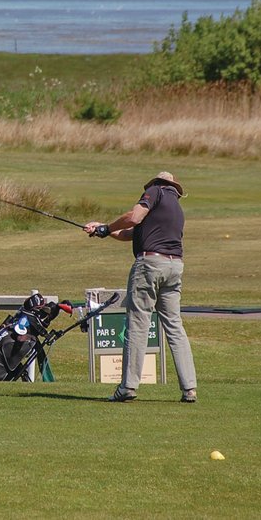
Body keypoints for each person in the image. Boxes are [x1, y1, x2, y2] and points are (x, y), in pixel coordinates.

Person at [84, 171, 198, 404]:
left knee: (138, 325)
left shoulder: (155, 192)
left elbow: (134, 217)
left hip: (150, 266)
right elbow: (131, 233)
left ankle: (128, 387)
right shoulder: (175, 207)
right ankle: (190, 389)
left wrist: (106, 227)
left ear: (157, 184)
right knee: (175, 326)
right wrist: (103, 230)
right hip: (174, 267)